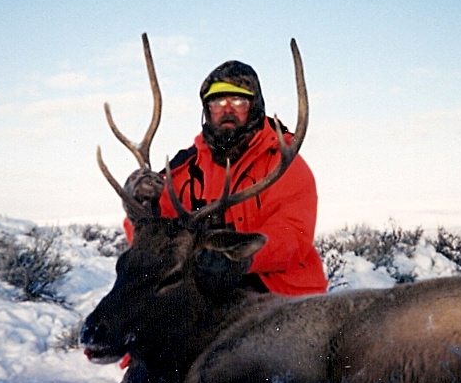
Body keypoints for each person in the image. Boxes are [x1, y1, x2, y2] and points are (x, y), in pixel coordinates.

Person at [123, 60, 328, 296]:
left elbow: (293, 234)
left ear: (255, 106)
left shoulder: (282, 164)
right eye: (218, 102)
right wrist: (138, 206)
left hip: (278, 291)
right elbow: (152, 234)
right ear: (207, 109)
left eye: (238, 101)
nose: (227, 110)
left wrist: (240, 259)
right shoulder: (185, 168)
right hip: (203, 291)